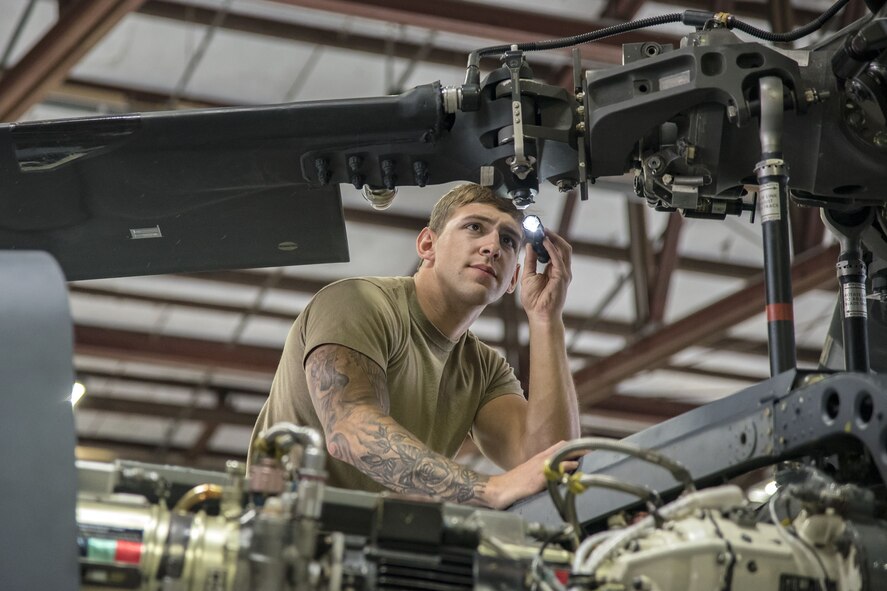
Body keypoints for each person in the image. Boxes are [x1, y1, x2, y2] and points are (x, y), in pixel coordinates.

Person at [251, 183, 579, 509]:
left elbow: (548, 463)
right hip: (280, 534)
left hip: (381, 549)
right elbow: (350, 432)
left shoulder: (483, 370)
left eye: (508, 240)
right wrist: (488, 489)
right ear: (427, 244)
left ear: (512, 278)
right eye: (474, 227)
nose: (492, 246)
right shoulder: (359, 303)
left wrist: (545, 318)